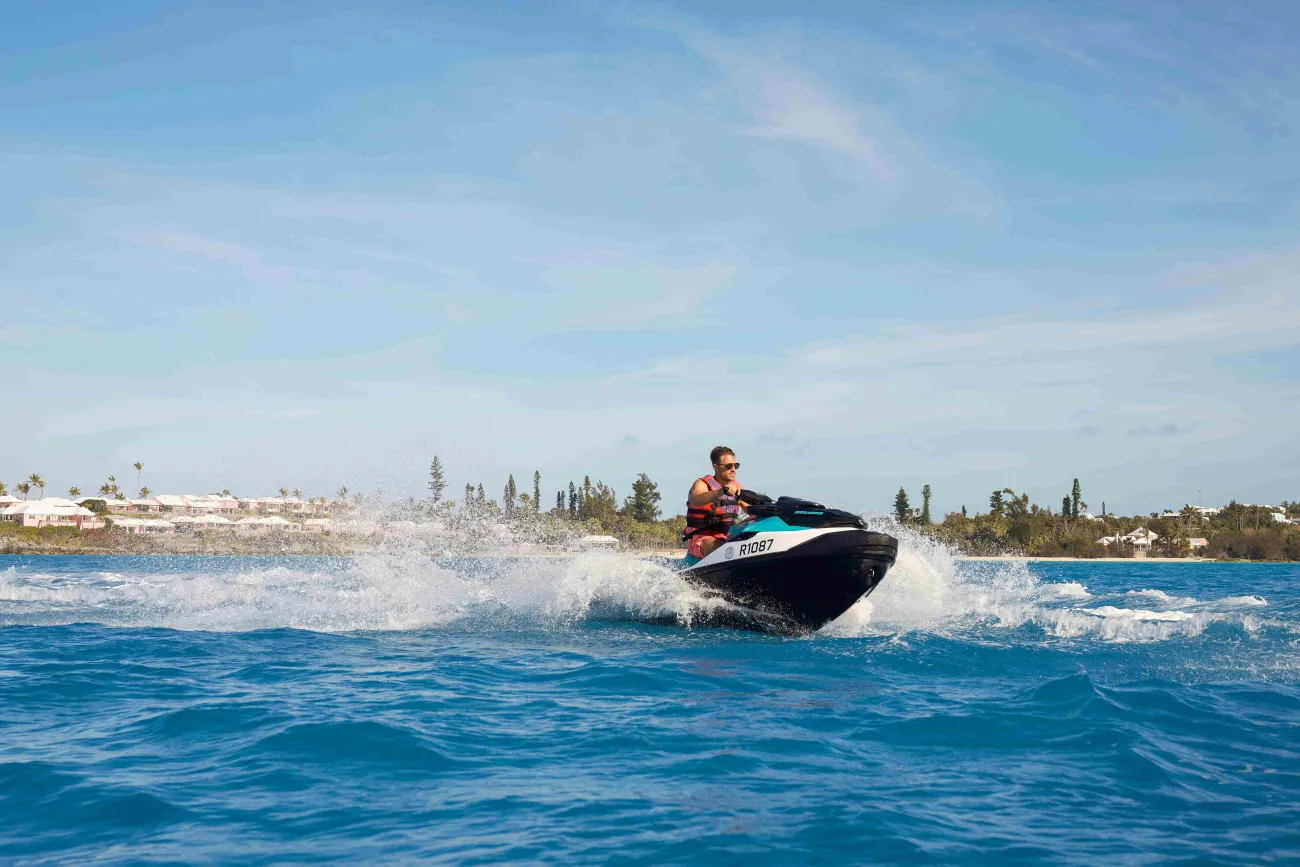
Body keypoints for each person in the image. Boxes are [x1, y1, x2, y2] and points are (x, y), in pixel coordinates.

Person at [683, 446, 748, 559]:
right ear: (715, 467)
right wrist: (722, 492)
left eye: (735, 465)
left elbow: (751, 509)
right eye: (729, 466)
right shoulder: (702, 484)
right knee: (724, 549)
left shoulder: (737, 488)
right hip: (701, 540)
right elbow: (696, 499)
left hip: (726, 537)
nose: (733, 469)